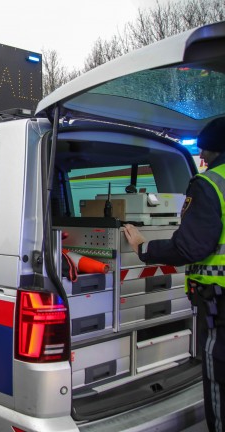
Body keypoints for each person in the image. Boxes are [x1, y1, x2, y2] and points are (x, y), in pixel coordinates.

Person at [123, 117, 225, 432]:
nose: (203, 158)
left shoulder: (210, 184)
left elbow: (189, 247)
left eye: (205, 151)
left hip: (218, 308)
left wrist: (143, 249)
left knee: (220, 382)